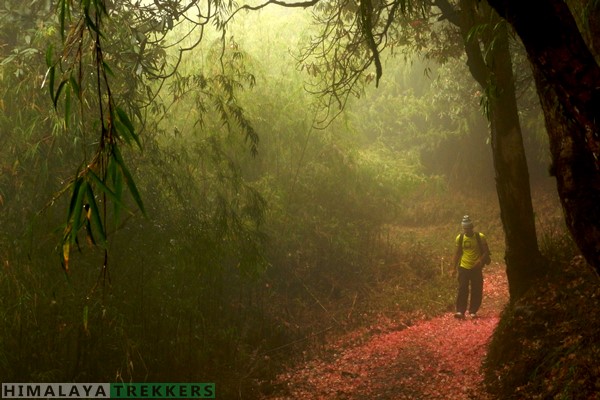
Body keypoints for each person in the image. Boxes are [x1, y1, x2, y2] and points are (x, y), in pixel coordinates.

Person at [452, 215, 490, 319]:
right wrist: (453, 268)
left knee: (476, 289)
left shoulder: (480, 237)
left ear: (472, 227)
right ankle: (460, 311)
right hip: (463, 266)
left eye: (468, 228)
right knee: (462, 288)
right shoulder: (460, 238)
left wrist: (480, 260)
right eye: (464, 228)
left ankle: (473, 311)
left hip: (476, 268)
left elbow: (486, 252)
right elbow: (457, 253)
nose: (466, 231)